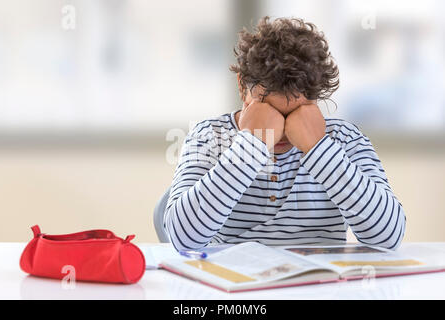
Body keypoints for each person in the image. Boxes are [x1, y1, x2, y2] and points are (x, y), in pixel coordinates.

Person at [164, 16, 406, 251]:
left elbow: (389, 237)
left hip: (319, 288)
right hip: (236, 289)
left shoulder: (344, 139)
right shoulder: (209, 136)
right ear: (241, 86)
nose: (282, 130)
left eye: (299, 111)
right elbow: (182, 239)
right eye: (269, 109)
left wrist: (319, 149)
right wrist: (250, 147)